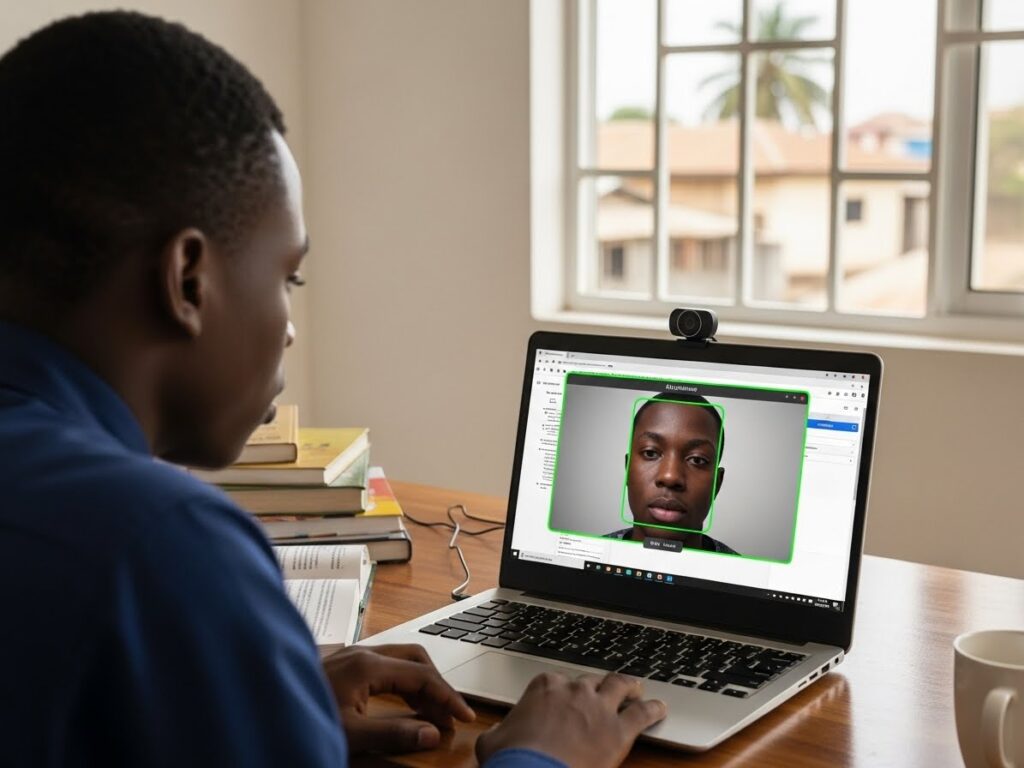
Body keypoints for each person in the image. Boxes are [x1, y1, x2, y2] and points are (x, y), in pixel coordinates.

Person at [0, 11, 666, 767]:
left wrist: (262, 711)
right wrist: (543, 756)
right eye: (289, 276)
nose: (289, 328)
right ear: (187, 280)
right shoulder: (164, 547)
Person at [605, 393, 738, 554]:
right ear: (628, 470)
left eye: (697, 460)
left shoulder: (744, 570)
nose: (670, 476)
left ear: (717, 484)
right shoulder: (588, 554)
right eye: (650, 453)